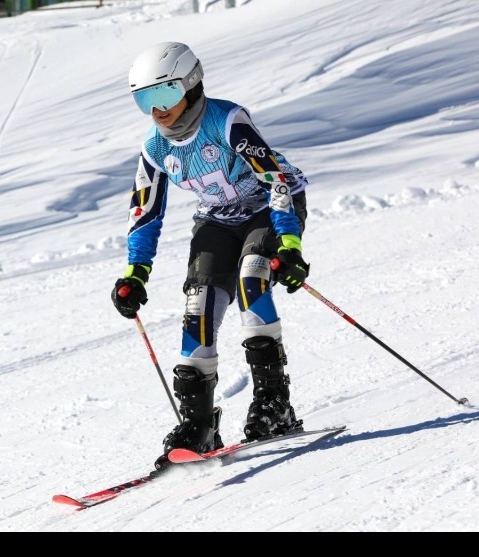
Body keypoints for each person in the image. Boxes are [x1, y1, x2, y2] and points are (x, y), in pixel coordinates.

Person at [111, 42, 311, 470]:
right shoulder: (155, 149)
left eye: (163, 95)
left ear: (190, 84)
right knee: (199, 303)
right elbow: (145, 214)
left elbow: (275, 181)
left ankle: (273, 404)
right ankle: (198, 425)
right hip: (217, 219)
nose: (157, 110)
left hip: (269, 207)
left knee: (251, 277)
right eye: (144, 100)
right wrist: (136, 273)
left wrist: (290, 244)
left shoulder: (228, 121)